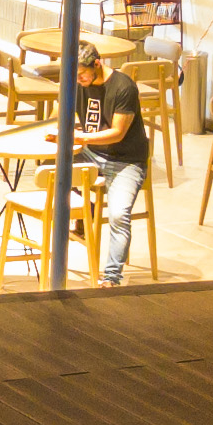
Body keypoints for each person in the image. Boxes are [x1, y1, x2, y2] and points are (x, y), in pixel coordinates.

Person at [70, 45, 149, 285]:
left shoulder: (124, 87)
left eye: (81, 74)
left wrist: (81, 137)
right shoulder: (78, 84)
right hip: (91, 153)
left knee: (118, 215)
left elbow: (117, 133)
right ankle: (86, 212)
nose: (78, 80)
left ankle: (112, 278)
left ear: (97, 64)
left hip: (126, 160)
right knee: (51, 169)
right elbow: (61, 113)